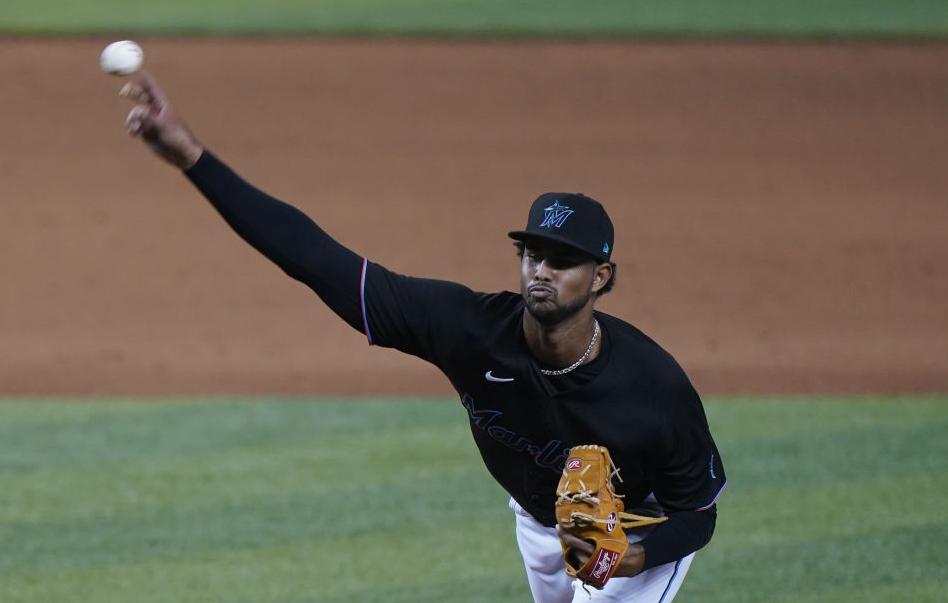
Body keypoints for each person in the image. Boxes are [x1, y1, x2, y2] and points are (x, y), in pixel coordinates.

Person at [119, 72, 727, 603]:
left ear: (602, 277)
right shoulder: (466, 329)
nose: (541, 270)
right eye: (532, 253)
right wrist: (192, 157)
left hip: (637, 528)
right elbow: (315, 260)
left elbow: (698, 514)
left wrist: (634, 557)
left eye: (562, 260)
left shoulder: (653, 386)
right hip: (537, 518)